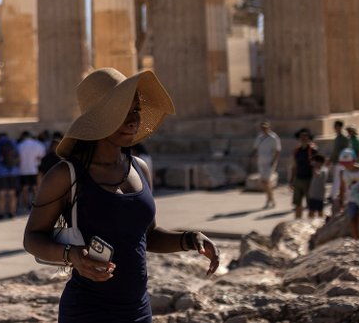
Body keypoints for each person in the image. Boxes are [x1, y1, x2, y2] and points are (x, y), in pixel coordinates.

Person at [24, 68, 220, 323]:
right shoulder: (66, 174)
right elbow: (32, 238)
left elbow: (146, 237)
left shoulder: (140, 167)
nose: (133, 120)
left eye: (136, 111)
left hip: (138, 310)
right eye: (122, 112)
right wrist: (71, 255)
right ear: (98, 119)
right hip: (87, 312)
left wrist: (190, 239)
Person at [338, 148, 359, 240]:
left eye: (348, 163)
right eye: (344, 164)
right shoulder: (343, 173)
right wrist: (341, 201)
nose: (346, 166)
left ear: (354, 160)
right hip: (351, 200)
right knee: (353, 219)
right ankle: (356, 239)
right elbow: (342, 188)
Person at [288, 129, 316, 219]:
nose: (303, 138)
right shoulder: (297, 150)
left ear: (309, 138)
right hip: (298, 179)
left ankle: (311, 223)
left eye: (305, 136)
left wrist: (314, 181)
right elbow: (294, 165)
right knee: (297, 204)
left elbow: (316, 166)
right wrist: (291, 180)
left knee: (311, 205)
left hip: (309, 180)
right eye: (301, 136)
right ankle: (297, 222)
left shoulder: (313, 150)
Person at [252, 120, 281, 209]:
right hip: (261, 161)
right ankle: (270, 199)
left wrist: (274, 161)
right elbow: (256, 148)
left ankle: (269, 200)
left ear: (268, 127)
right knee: (264, 182)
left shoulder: (273, 137)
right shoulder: (259, 137)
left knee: (266, 181)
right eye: (263, 127)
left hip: (270, 162)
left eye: (265, 127)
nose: (264, 129)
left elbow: (277, 150)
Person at [0, 133, 21, 219]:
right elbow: (18, 158)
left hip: (1, 173)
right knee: (12, 193)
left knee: (2, 193)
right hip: (14, 172)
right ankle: (12, 212)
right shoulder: (13, 143)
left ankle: (1, 213)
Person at [18, 131, 46, 212]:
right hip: (35, 169)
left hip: (23, 170)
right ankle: (36, 203)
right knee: (35, 187)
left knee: (25, 188)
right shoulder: (38, 144)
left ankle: (25, 205)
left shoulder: (20, 145)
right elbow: (42, 157)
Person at [328, 120, 350, 214]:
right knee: (337, 179)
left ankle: (338, 196)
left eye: (337, 126)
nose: (335, 128)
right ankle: (333, 196)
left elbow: (347, 150)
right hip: (337, 161)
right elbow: (334, 151)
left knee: (341, 179)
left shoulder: (344, 138)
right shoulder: (337, 138)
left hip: (342, 162)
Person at [307, 154, 327, 219]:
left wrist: (314, 167)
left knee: (320, 212)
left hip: (319, 195)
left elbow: (317, 174)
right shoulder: (316, 169)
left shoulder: (323, 170)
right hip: (313, 194)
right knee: (311, 212)